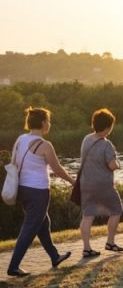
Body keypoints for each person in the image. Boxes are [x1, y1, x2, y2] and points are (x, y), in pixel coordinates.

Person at [7, 107, 73, 277]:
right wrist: (73, 181)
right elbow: (57, 169)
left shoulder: (21, 139)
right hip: (38, 191)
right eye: (48, 121)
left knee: (43, 224)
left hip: (22, 189)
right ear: (44, 123)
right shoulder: (45, 145)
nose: (49, 124)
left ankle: (55, 256)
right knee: (30, 227)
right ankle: (13, 266)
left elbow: (13, 161)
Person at [78, 109, 123, 258]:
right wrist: (118, 163)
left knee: (87, 215)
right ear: (107, 127)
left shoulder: (86, 139)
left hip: (86, 184)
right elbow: (111, 165)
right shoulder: (107, 144)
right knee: (116, 209)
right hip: (103, 185)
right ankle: (110, 242)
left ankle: (87, 248)